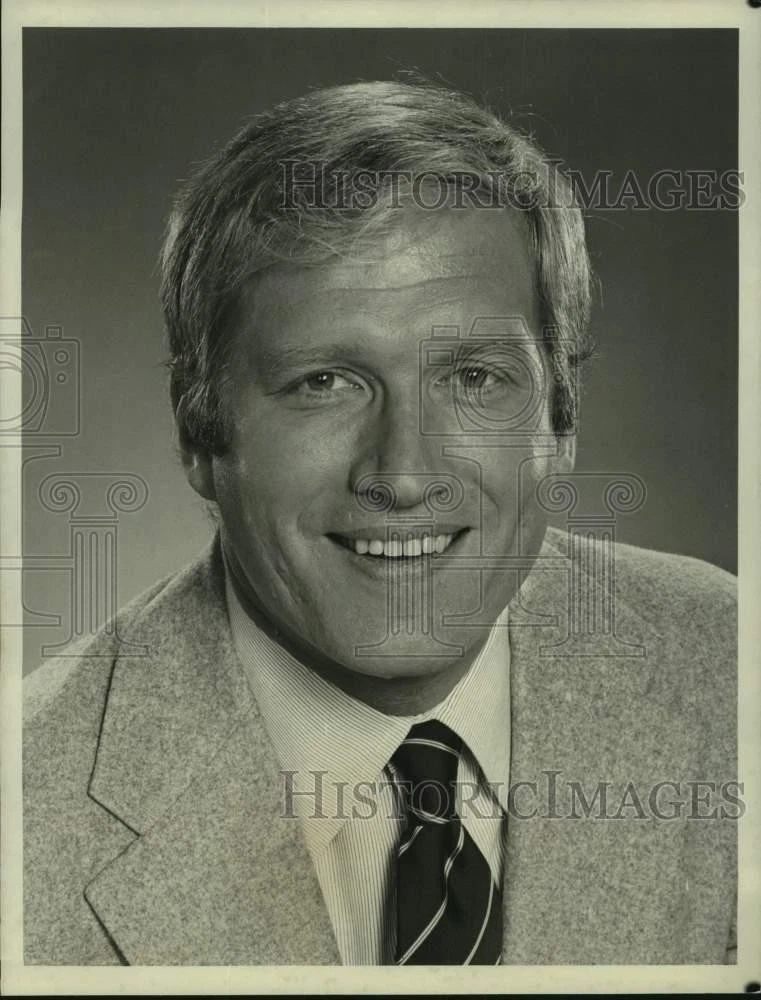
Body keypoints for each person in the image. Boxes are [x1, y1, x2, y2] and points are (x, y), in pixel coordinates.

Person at [23, 80, 737, 966]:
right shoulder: (27, 812)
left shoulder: (728, 676)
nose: (403, 475)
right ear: (200, 433)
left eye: (473, 378)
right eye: (323, 382)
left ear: (559, 417)